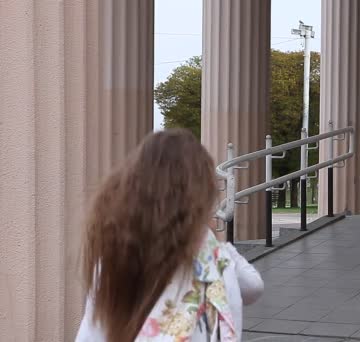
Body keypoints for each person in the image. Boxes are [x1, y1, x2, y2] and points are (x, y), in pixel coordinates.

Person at [76, 129, 263, 341]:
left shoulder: (116, 256)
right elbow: (253, 287)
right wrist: (215, 239)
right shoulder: (217, 260)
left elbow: (91, 334)